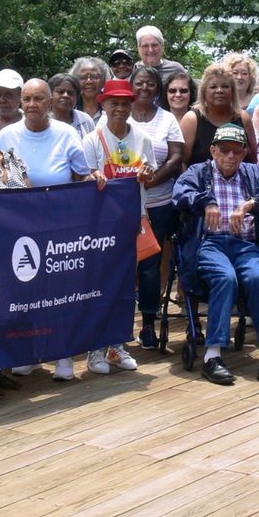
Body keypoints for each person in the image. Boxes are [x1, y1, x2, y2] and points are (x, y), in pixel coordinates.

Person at [173, 123, 259, 385]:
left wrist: (252, 205)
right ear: (213, 150)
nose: (231, 157)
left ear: (245, 153)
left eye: (237, 151)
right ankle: (212, 356)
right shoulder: (199, 172)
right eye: (224, 150)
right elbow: (180, 194)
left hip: (246, 245)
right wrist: (206, 202)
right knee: (225, 278)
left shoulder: (253, 173)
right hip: (211, 243)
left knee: (258, 278)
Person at [0, 78, 94, 380]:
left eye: (39, 99)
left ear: (50, 103)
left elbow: (83, 176)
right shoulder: (6, 135)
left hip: (61, 228)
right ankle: (31, 353)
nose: (32, 105)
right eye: (27, 99)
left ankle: (64, 356)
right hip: (21, 228)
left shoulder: (67, 134)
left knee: (61, 293)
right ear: (21, 102)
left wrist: (98, 179)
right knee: (27, 292)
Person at [83, 79, 156, 373]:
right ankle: (95, 348)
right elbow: (83, 179)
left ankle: (117, 345)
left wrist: (147, 174)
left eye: (125, 103)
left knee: (127, 286)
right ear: (104, 104)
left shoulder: (142, 138)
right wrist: (93, 178)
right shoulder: (92, 139)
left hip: (132, 220)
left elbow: (149, 177)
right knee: (99, 285)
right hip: (100, 224)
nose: (120, 108)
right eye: (114, 103)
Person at [115, 67, 184, 350]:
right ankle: (118, 325)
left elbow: (177, 156)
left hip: (158, 203)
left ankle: (148, 324)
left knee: (151, 267)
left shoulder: (167, 118)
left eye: (150, 83)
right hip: (121, 206)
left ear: (158, 88)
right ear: (131, 87)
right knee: (120, 265)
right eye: (139, 83)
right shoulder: (119, 115)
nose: (144, 87)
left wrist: (154, 179)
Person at [181, 64, 257, 167]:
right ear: (204, 91)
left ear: (232, 91)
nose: (219, 90)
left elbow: (253, 159)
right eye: (213, 87)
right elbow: (182, 162)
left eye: (225, 86)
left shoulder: (244, 118)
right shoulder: (192, 119)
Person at [48, 72, 96, 138]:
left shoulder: (85, 120)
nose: (65, 95)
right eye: (60, 92)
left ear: (77, 97)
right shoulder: (42, 121)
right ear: (50, 95)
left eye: (70, 93)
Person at [70, 56, 110, 122]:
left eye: (94, 77)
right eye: (83, 77)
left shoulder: (112, 107)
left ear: (104, 80)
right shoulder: (69, 107)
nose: (89, 81)